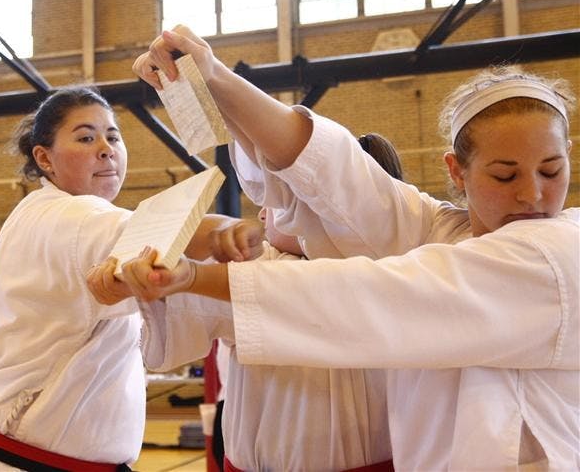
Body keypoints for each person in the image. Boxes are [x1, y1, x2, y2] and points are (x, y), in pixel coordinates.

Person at [110, 27, 578, 470]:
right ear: (457, 172)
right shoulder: (436, 229)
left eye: (552, 171)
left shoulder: (559, 254)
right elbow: (332, 170)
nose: (532, 195)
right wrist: (215, 78)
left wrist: (199, 277)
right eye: (504, 175)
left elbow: (374, 292)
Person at [0, 86, 253, 471]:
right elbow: (159, 234)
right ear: (45, 158)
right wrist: (226, 233)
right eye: (86, 138)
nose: (106, 148)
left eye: (113, 136)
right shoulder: (65, 217)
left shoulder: (51, 215)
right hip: (13, 460)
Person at [93, 138, 405, 471]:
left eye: (282, 200)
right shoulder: (261, 261)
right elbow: (183, 300)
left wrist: (183, 273)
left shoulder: (382, 272)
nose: (262, 211)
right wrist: (136, 274)